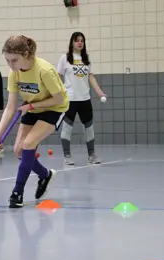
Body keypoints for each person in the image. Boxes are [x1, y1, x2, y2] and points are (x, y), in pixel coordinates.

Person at [0, 35, 69, 208]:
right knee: (19, 151)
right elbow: (10, 107)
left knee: (28, 144)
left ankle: (17, 193)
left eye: (14, 60)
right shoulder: (14, 73)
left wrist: (33, 107)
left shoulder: (45, 70)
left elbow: (58, 99)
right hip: (32, 106)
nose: (10, 65)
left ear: (26, 55)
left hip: (54, 108)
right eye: (7, 60)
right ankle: (45, 175)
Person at [57, 32, 106, 165]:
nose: (80, 43)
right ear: (72, 42)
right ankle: (67, 155)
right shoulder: (65, 58)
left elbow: (91, 77)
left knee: (89, 127)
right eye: (77, 40)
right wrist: (60, 92)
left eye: (82, 41)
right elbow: (57, 76)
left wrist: (100, 93)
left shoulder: (86, 58)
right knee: (67, 127)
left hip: (85, 98)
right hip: (70, 99)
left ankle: (91, 155)